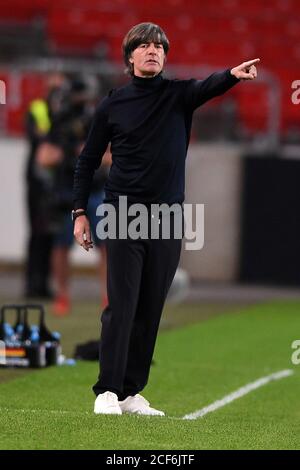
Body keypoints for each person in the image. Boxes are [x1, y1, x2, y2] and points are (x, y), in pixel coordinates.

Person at [73, 22, 259, 416]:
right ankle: (106, 390)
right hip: (123, 212)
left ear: (165, 56)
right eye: (144, 45)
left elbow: (206, 85)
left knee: (150, 306)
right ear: (130, 57)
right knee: (121, 304)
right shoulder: (113, 104)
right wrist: (78, 213)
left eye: (159, 46)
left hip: (168, 217)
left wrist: (232, 75)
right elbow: (87, 161)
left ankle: (129, 392)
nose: (153, 50)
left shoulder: (178, 96)